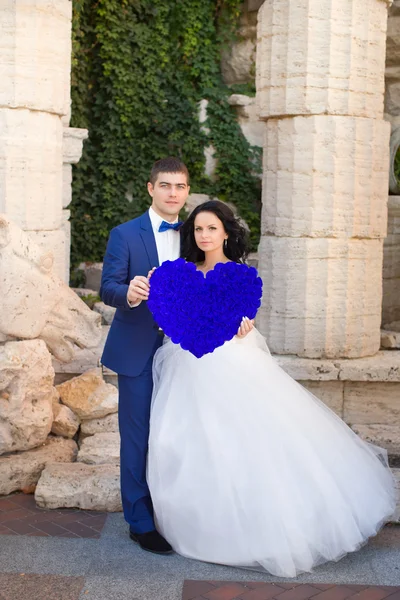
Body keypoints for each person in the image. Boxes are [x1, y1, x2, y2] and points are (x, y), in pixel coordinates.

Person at [147, 200, 396, 577]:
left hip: (230, 362)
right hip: (187, 368)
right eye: (198, 229)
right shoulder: (180, 275)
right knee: (184, 441)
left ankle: (258, 532)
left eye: (212, 228)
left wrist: (244, 325)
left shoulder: (239, 276)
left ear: (226, 233)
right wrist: (156, 292)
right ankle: (201, 528)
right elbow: (175, 319)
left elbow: (238, 318)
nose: (204, 235)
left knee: (241, 440)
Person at [100, 157, 190, 554]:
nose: (173, 193)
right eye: (166, 185)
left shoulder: (195, 234)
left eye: (181, 187)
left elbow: (214, 282)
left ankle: (175, 513)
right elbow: (108, 288)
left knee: (177, 434)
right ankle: (140, 520)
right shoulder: (124, 234)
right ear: (150, 188)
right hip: (137, 348)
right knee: (136, 436)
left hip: (184, 351)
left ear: (187, 192)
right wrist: (129, 294)